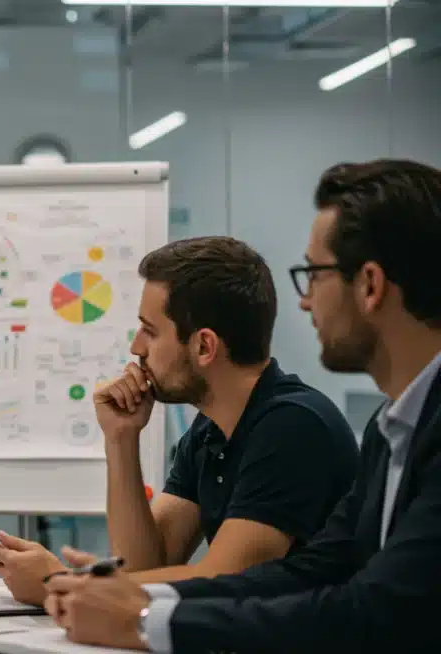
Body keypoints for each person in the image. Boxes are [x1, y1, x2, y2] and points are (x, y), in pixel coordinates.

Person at [42, 159, 441, 653]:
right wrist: (110, 592)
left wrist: (139, 615)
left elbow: (373, 608)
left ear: (371, 285)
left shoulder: (297, 425)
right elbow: (304, 573)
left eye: (313, 275)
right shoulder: (390, 431)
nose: (304, 301)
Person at [0, 236, 358, 605]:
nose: (136, 347)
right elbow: (144, 569)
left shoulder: (292, 427)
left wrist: (61, 584)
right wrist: (121, 438)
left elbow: (228, 579)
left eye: (150, 330)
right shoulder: (210, 430)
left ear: (203, 347)